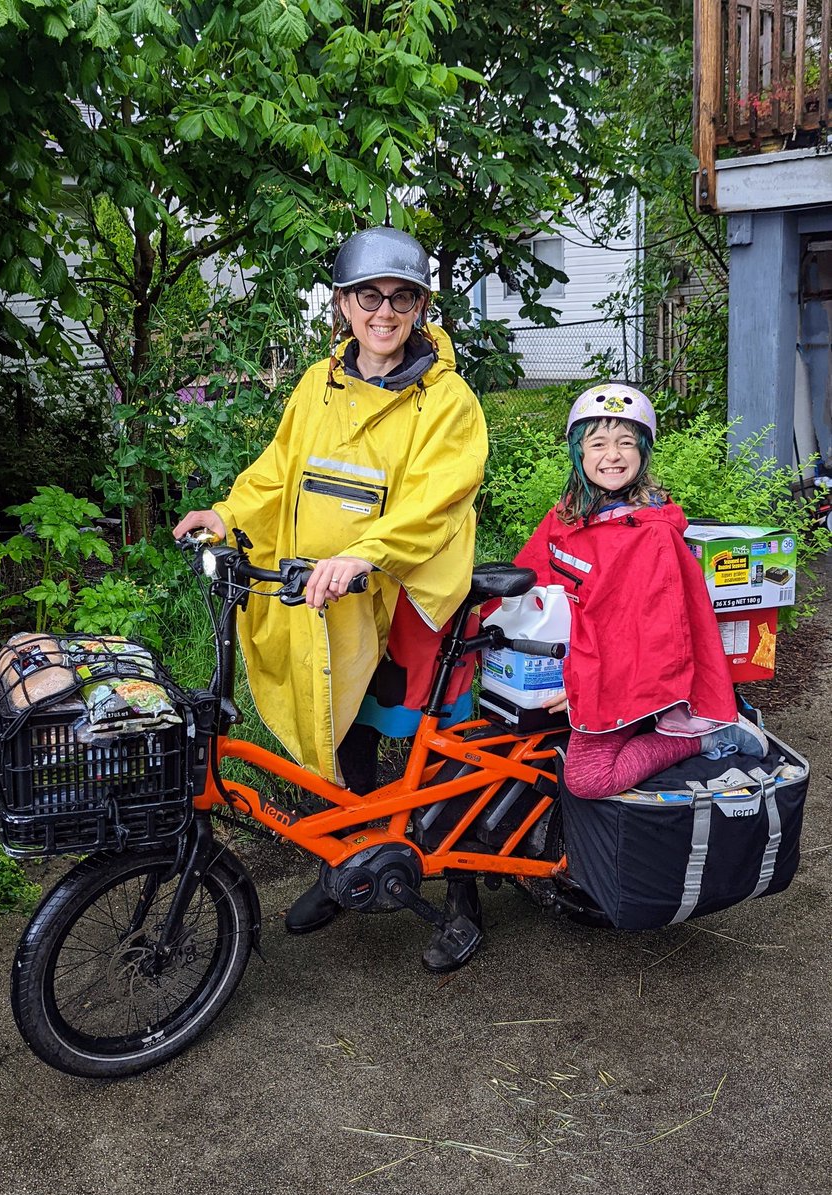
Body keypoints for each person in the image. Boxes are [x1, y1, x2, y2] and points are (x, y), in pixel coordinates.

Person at [172, 226, 488, 967]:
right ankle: (341, 865)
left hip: (410, 594)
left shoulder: (448, 401)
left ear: (420, 306)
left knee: (440, 752)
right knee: (341, 732)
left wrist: (364, 555)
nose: (386, 311)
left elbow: (438, 501)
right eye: (370, 296)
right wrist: (228, 514)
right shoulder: (320, 381)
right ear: (342, 304)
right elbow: (280, 468)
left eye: (403, 296)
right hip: (331, 596)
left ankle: (465, 902)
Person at [505, 381, 768, 803]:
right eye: (598, 443)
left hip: (611, 676)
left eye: (627, 442)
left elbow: (644, 637)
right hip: (569, 661)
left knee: (589, 779)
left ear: (643, 451)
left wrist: (577, 689)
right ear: (578, 451)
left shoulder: (651, 535)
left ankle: (708, 737)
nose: (613, 455)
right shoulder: (570, 514)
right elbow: (530, 575)